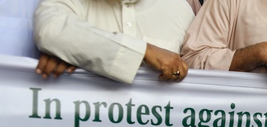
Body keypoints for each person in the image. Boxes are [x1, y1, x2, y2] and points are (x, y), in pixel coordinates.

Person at [33, 0, 200, 83]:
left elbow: (198, 82)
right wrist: (145, 52)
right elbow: (50, 31)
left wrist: (178, 73)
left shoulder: (179, 10)